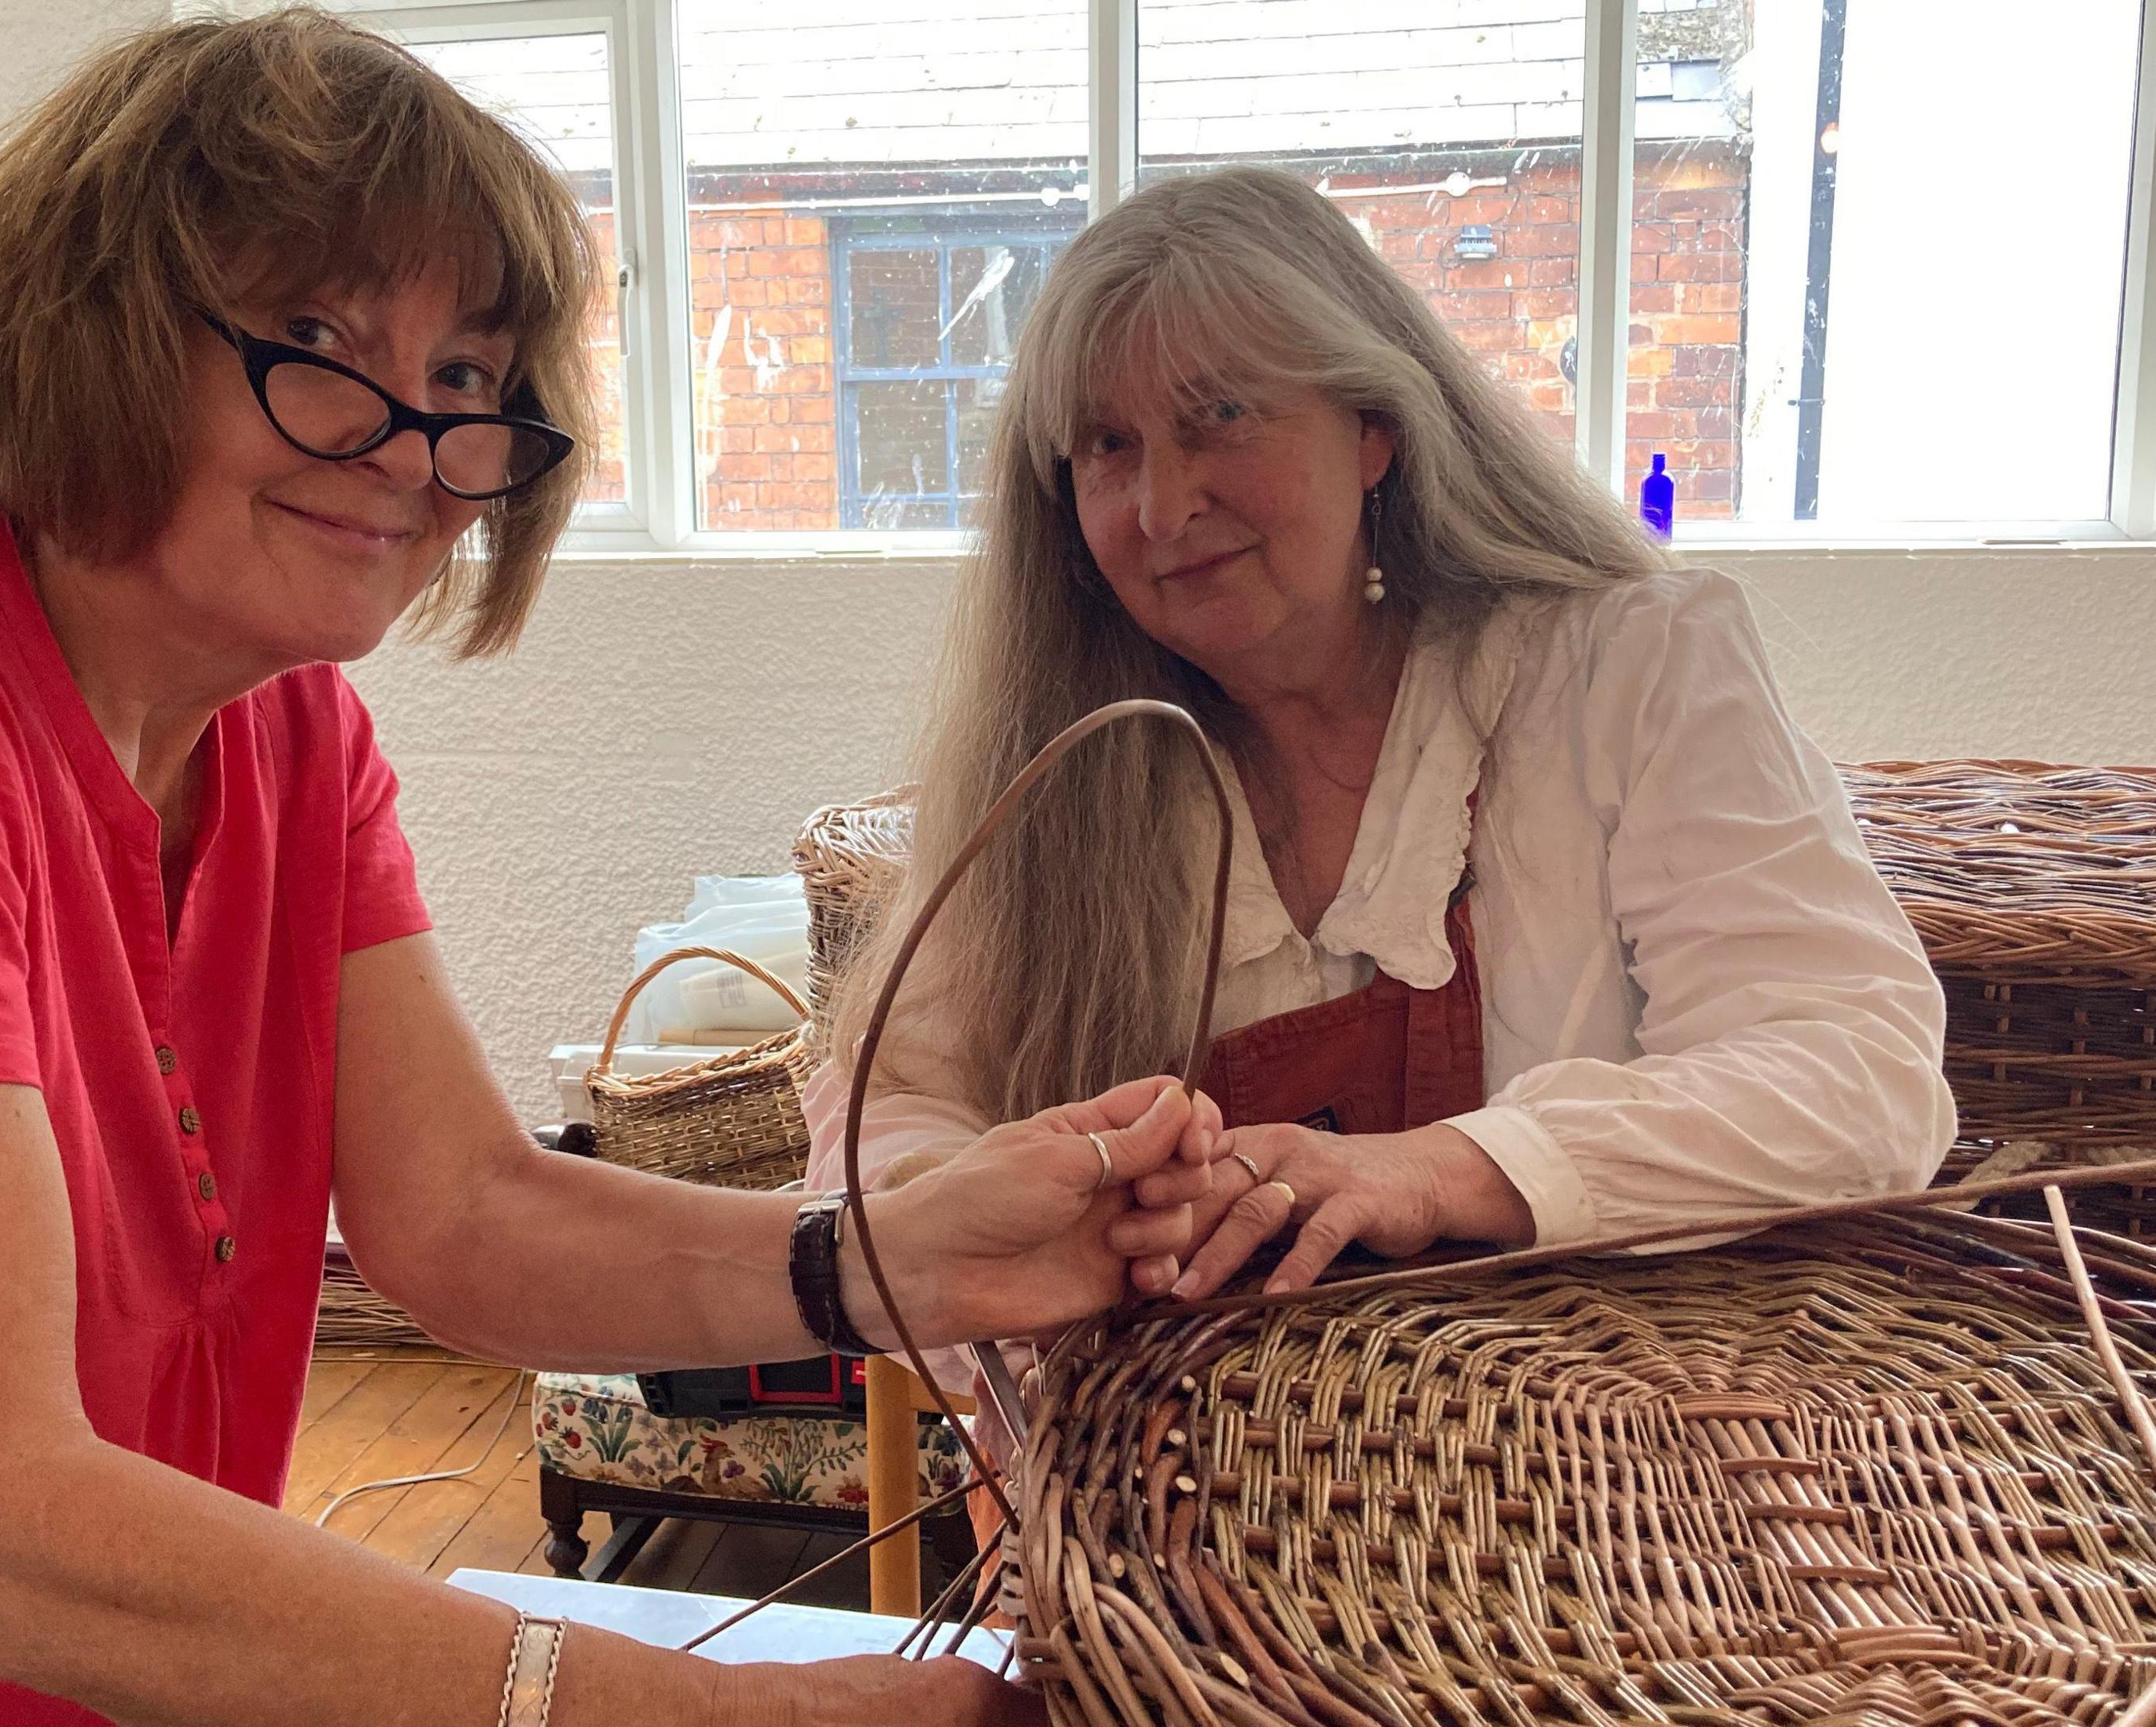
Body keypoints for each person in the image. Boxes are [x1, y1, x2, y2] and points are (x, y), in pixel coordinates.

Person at [0, 14, 1214, 1723]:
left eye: (468, 377)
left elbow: (463, 1221)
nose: (411, 448)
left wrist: (891, 1262)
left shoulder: (284, 730)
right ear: (85, 324)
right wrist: (738, 1711)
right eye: (320, 347)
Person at [806, 166, 1954, 1479]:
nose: (1163, 508)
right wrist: (998, 1288)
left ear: (1373, 428)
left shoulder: (1629, 671)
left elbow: (1857, 1077)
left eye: (1219, 413)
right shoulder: (1069, 776)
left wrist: (1438, 1170)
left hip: (1641, 1512)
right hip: (1187, 1540)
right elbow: (882, 1109)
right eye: (1107, 447)